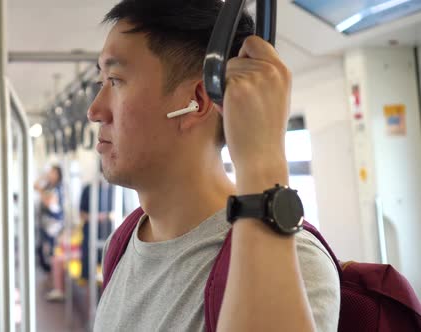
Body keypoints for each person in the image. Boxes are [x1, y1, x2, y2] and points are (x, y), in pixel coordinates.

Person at [88, 1, 340, 331]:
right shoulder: (122, 246)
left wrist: (261, 160)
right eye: (101, 82)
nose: (95, 110)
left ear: (197, 101)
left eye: (116, 80)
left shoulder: (295, 265)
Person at [34, 165, 64, 272]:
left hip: (53, 225)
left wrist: (41, 192)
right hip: (45, 224)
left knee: (51, 253)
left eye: (52, 172)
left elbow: (49, 202)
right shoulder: (49, 186)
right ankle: (50, 277)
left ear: (58, 175)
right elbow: (35, 185)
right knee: (42, 252)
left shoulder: (58, 188)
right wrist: (44, 177)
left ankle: (53, 279)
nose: (50, 174)